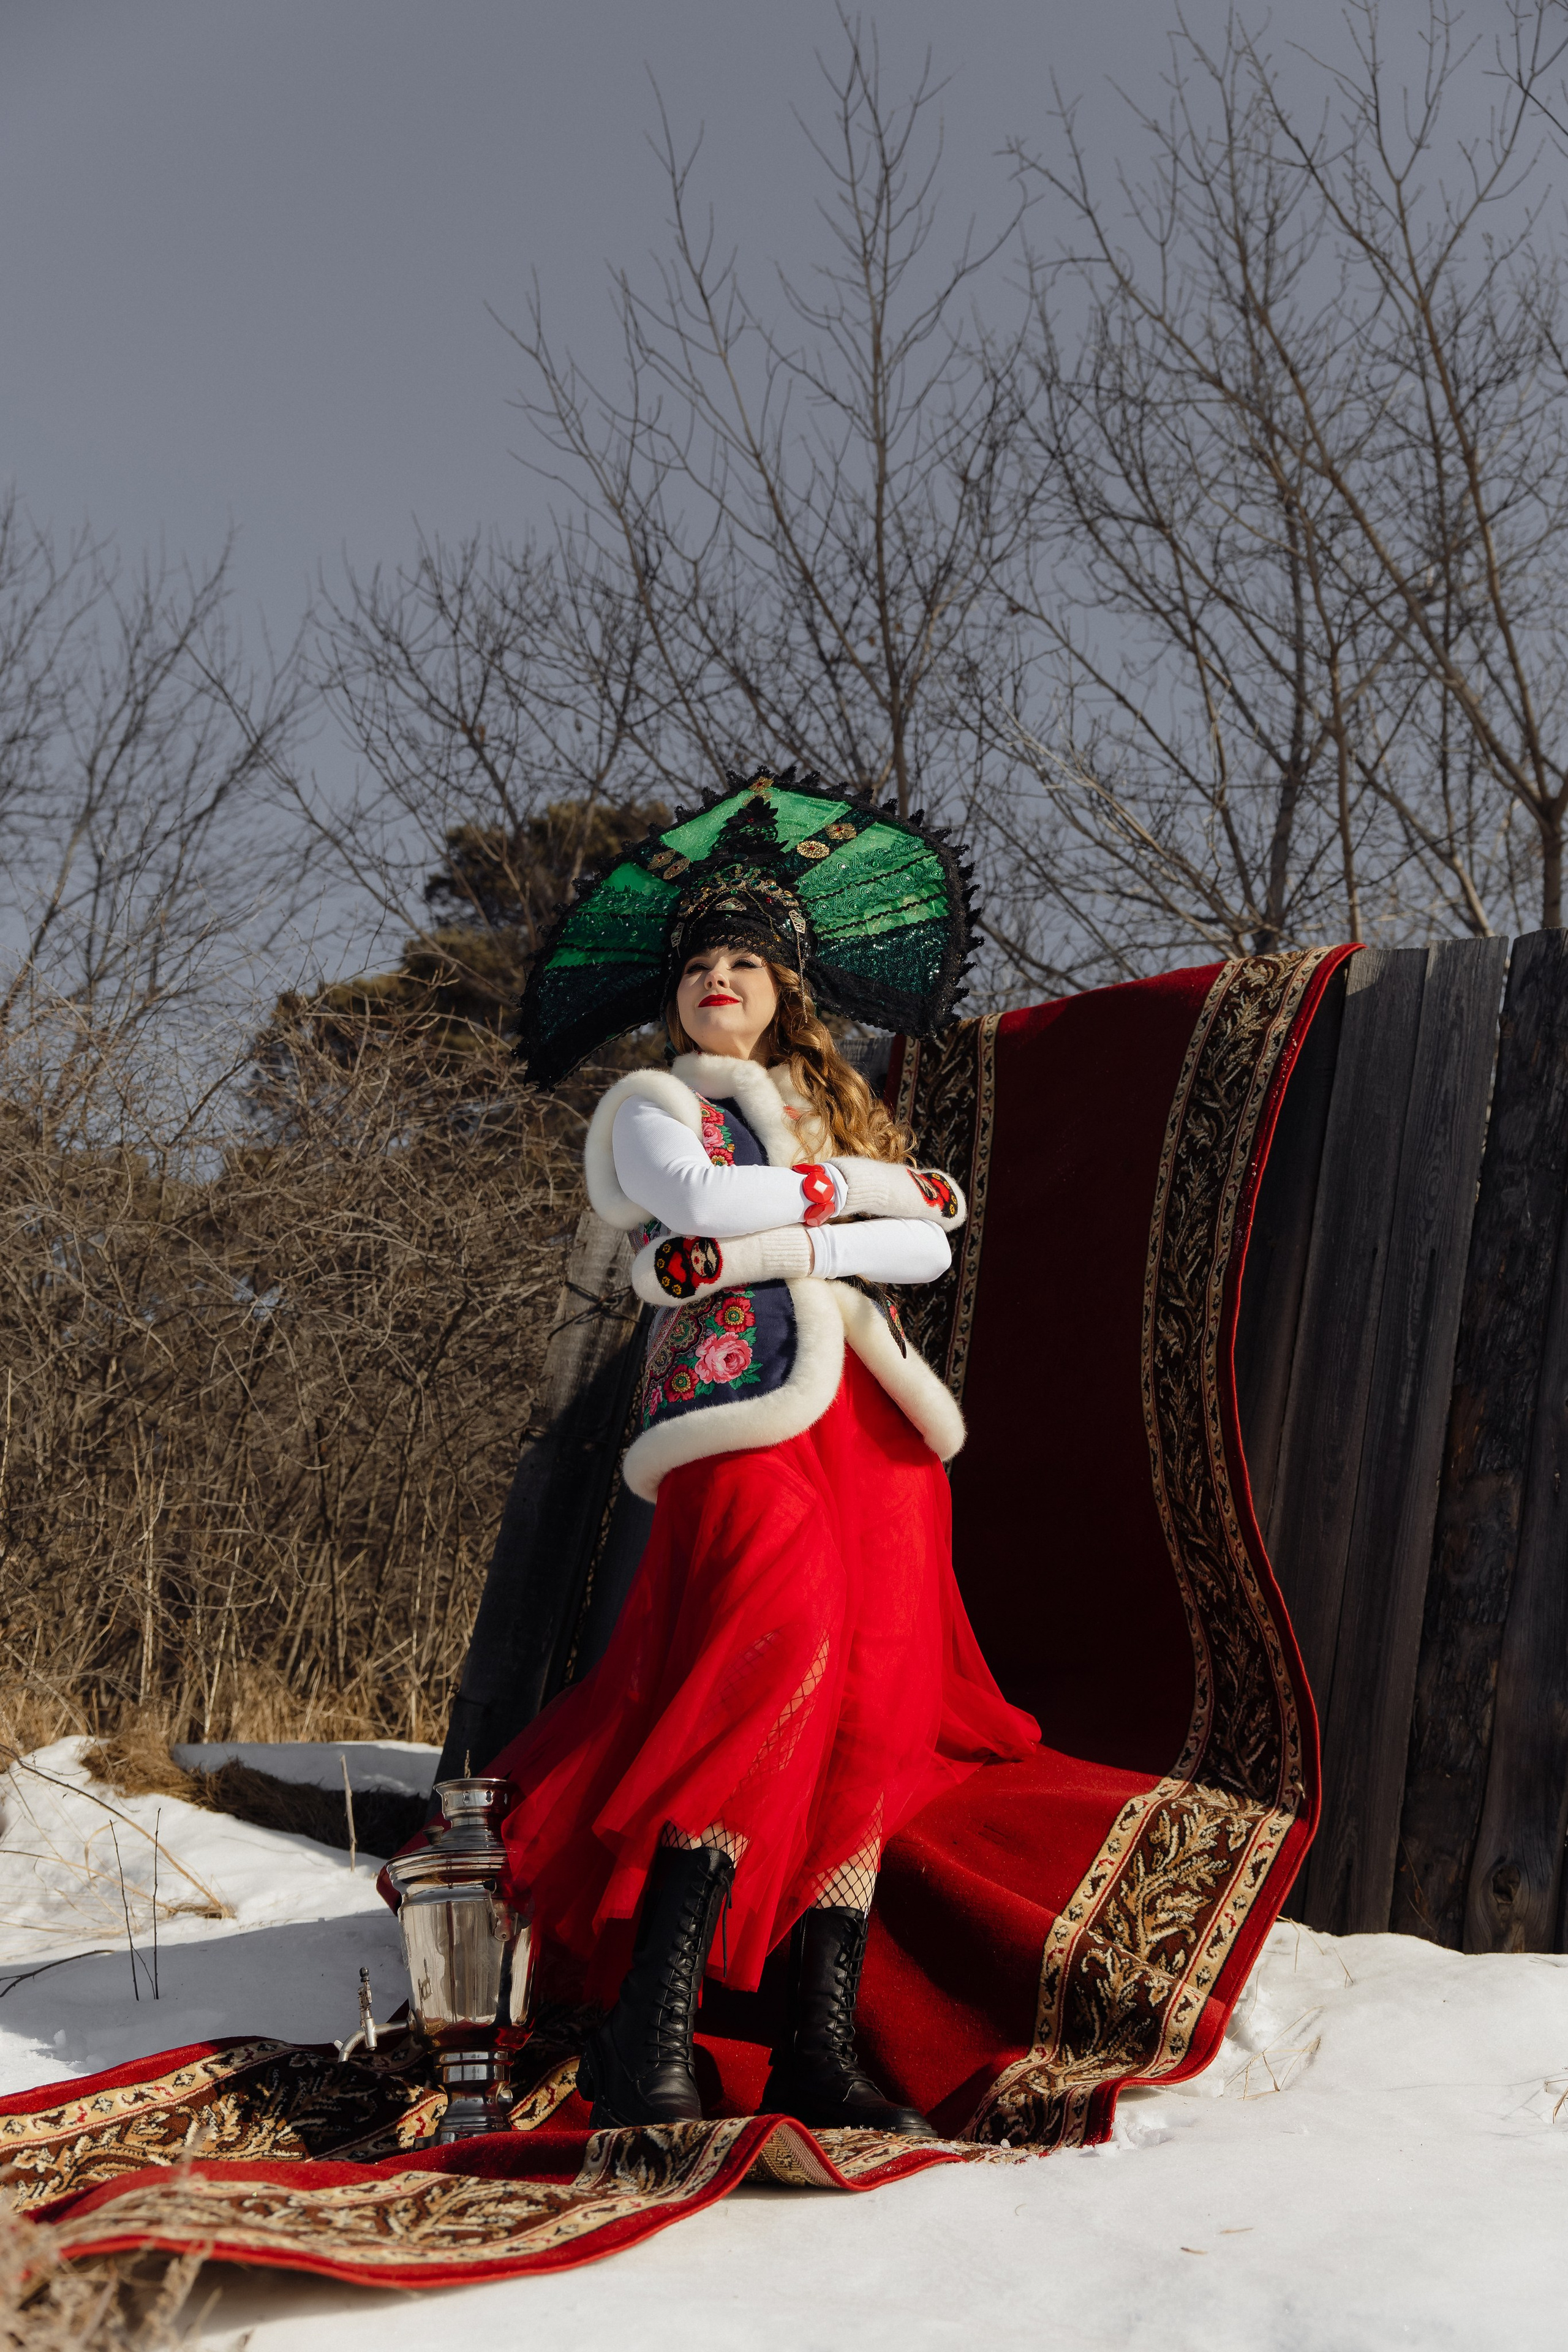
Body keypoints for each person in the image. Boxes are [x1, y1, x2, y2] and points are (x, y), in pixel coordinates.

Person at [492, 771, 1040, 2137]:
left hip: (877, 1428)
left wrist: (783, 1233)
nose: (716, 978)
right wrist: (858, 1205)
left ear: (788, 985)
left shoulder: (837, 1110)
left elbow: (929, 1245)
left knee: (866, 1712)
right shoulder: (650, 1104)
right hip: (739, 1419)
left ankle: (816, 2042)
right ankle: (647, 2030)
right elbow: (692, 1205)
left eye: (744, 960)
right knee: (764, 1664)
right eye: (696, 964)